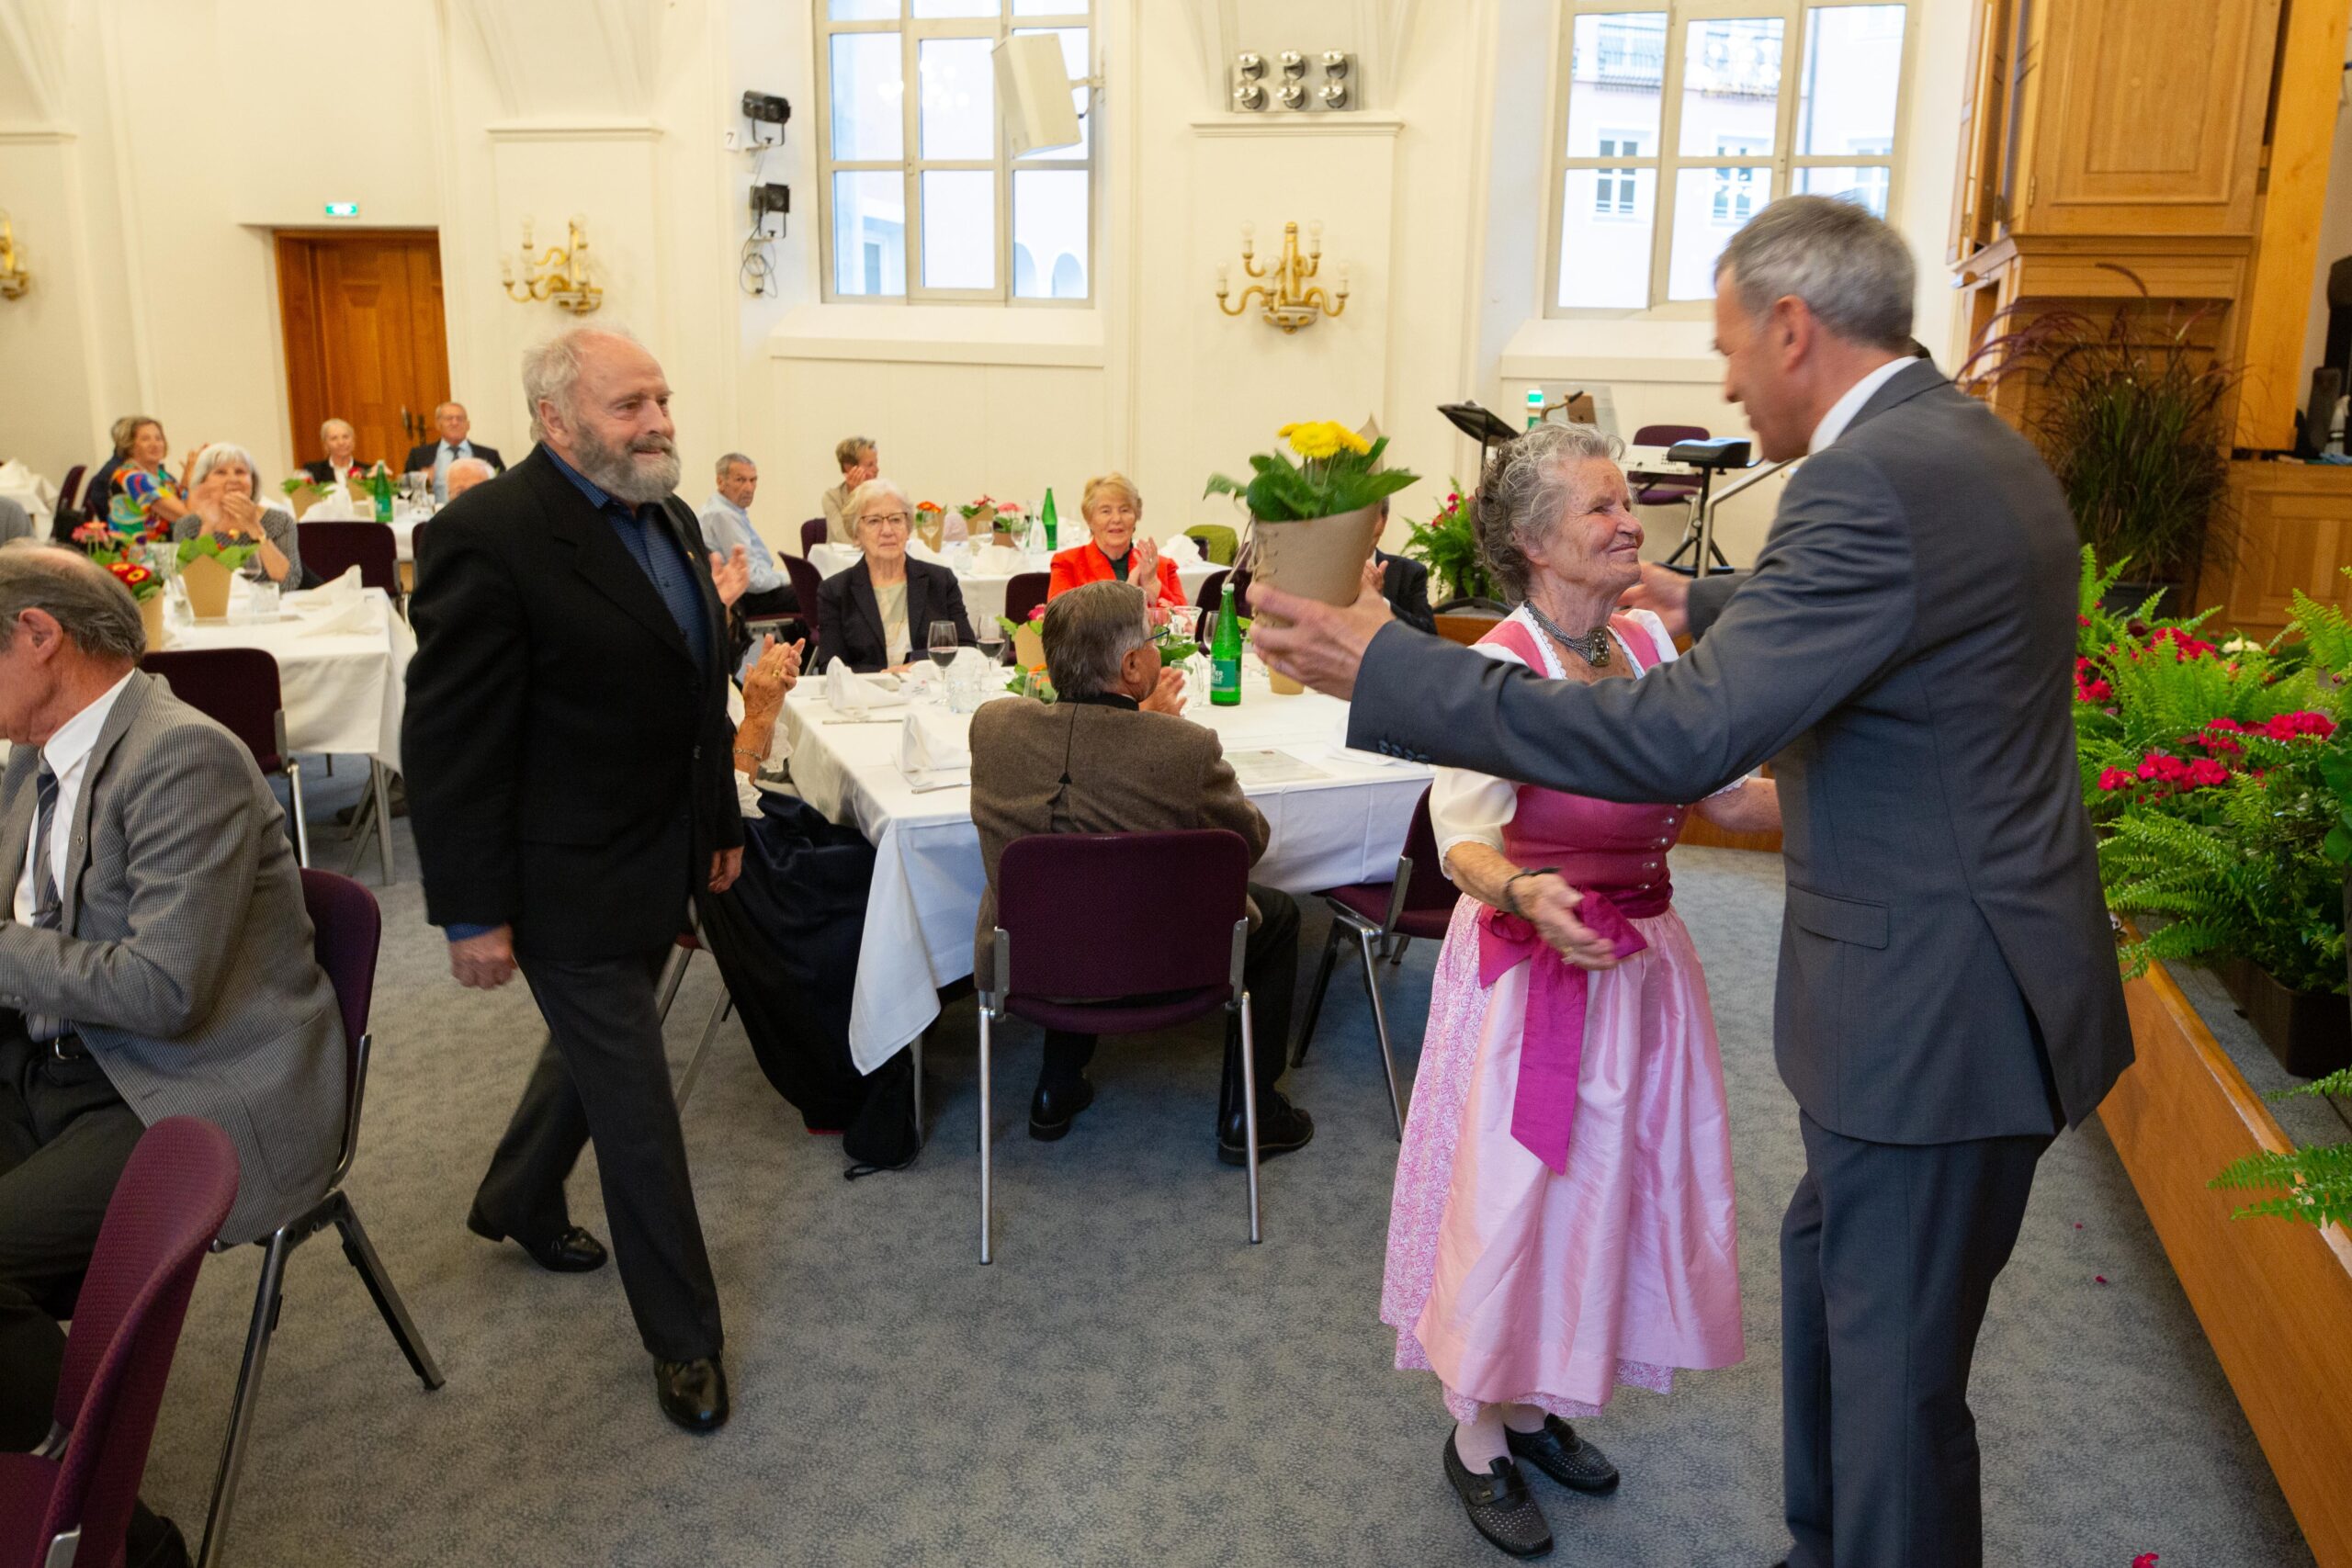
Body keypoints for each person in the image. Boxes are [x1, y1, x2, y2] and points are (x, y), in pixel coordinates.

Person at [1251, 195, 2133, 1568]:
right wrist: (1697, 602)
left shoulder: (1869, 477)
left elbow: (1688, 744)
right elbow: (1889, 615)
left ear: (1793, 328)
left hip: (1931, 1006)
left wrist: (1400, 669)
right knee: (1838, 1289)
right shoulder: (1964, 450)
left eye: (1728, 345)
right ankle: (1819, 1539)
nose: (1723, 381)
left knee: (1896, 1377)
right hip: (1944, 982)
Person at [1384, 424, 1781, 1558]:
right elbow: (1458, 844)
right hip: (1531, 975)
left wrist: (1863, 810)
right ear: (1531, 540)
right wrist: (1528, 892)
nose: (1628, 521)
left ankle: (1538, 1397)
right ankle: (1476, 1436)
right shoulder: (1492, 665)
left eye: (1625, 501)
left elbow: (1732, 796)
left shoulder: (1651, 638)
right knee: (1513, 1201)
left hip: (1645, 966)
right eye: (1601, 506)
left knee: (1607, 1192)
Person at [403, 325, 742, 1434]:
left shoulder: (672, 514)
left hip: (659, 848)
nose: (658, 424)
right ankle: (685, 1339)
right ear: (554, 420)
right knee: (638, 1100)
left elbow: (695, 694)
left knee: (602, 1051)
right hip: (557, 877)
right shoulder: (486, 538)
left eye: (661, 397)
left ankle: (515, 1195)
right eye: (627, 406)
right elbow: (452, 740)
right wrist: (472, 910)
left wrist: (715, 820)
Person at [0, 543, 348, 1568]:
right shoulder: (33, 757)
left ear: (37, 636)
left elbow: (164, 991)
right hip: (66, 1054)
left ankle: (114, 1531)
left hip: (185, 1084)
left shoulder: (180, 755)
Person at [968, 580, 1314, 1156]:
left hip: (1030, 960)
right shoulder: (1185, 748)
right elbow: (1248, 843)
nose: (1161, 649)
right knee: (1277, 915)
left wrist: (1136, 721)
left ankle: (1054, 1088)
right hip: (1158, 957)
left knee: (1061, 893)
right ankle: (1250, 1115)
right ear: (1132, 666)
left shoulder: (994, 727)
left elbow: (1086, 760)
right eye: (1155, 640)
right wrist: (1150, 725)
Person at [814, 478, 973, 672]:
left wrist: (915, 667)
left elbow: (967, 650)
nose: (887, 531)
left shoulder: (940, 581)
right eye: (874, 521)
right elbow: (830, 667)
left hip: (930, 695)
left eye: (896, 520)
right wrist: (884, 676)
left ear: (907, 529)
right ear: (856, 535)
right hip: (867, 697)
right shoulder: (835, 591)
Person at [171, 443, 305, 586]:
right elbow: (188, 582)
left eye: (240, 472)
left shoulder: (279, 521)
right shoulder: (189, 525)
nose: (233, 479)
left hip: (268, 606)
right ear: (203, 481)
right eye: (221, 472)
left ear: (253, 481)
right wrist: (208, 526)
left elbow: (290, 581)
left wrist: (254, 526)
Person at [1046, 472, 1185, 609]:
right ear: (1089, 519)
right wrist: (1128, 591)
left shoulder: (1163, 566)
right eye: (1106, 511)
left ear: (1136, 517)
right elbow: (1060, 621)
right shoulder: (1067, 563)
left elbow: (1187, 624)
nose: (1117, 519)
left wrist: (1152, 583)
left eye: (1125, 510)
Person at [699, 452, 796, 620]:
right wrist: (788, 577)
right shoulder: (723, 515)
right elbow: (753, 581)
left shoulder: (727, 510)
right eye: (740, 480)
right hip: (743, 598)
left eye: (753, 480)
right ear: (721, 482)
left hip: (746, 593)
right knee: (817, 594)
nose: (749, 488)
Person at [403, 401, 505, 503]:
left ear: (468, 425)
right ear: (438, 425)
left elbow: (503, 490)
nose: (455, 423)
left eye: (460, 419)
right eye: (449, 419)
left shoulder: (489, 455)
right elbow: (404, 494)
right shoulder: (418, 456)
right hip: (435, 516)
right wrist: (421, 483)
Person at [104, 416, 189, 534]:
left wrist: (188, 480)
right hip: (136, 549)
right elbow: (184, 515)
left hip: (165, 547)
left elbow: (186, 504)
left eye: (159, 438)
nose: (154, 444)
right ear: (130, 445)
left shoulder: (162, 476)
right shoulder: (132, 478)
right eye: (145, 439)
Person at [821, 435, 877, 547]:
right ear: (849, 468)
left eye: (876, 463)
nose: (877, 469)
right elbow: (847, 539)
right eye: (870, 465)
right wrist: (854, 496)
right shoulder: (831, 497)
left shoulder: (882, 494)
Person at [300, 418, 375, 487]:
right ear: (325, 445)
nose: (341, 442)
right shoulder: (313, 471)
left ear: (353, 441)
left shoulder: (369, 470)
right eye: (334, 438)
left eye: (345, 437)